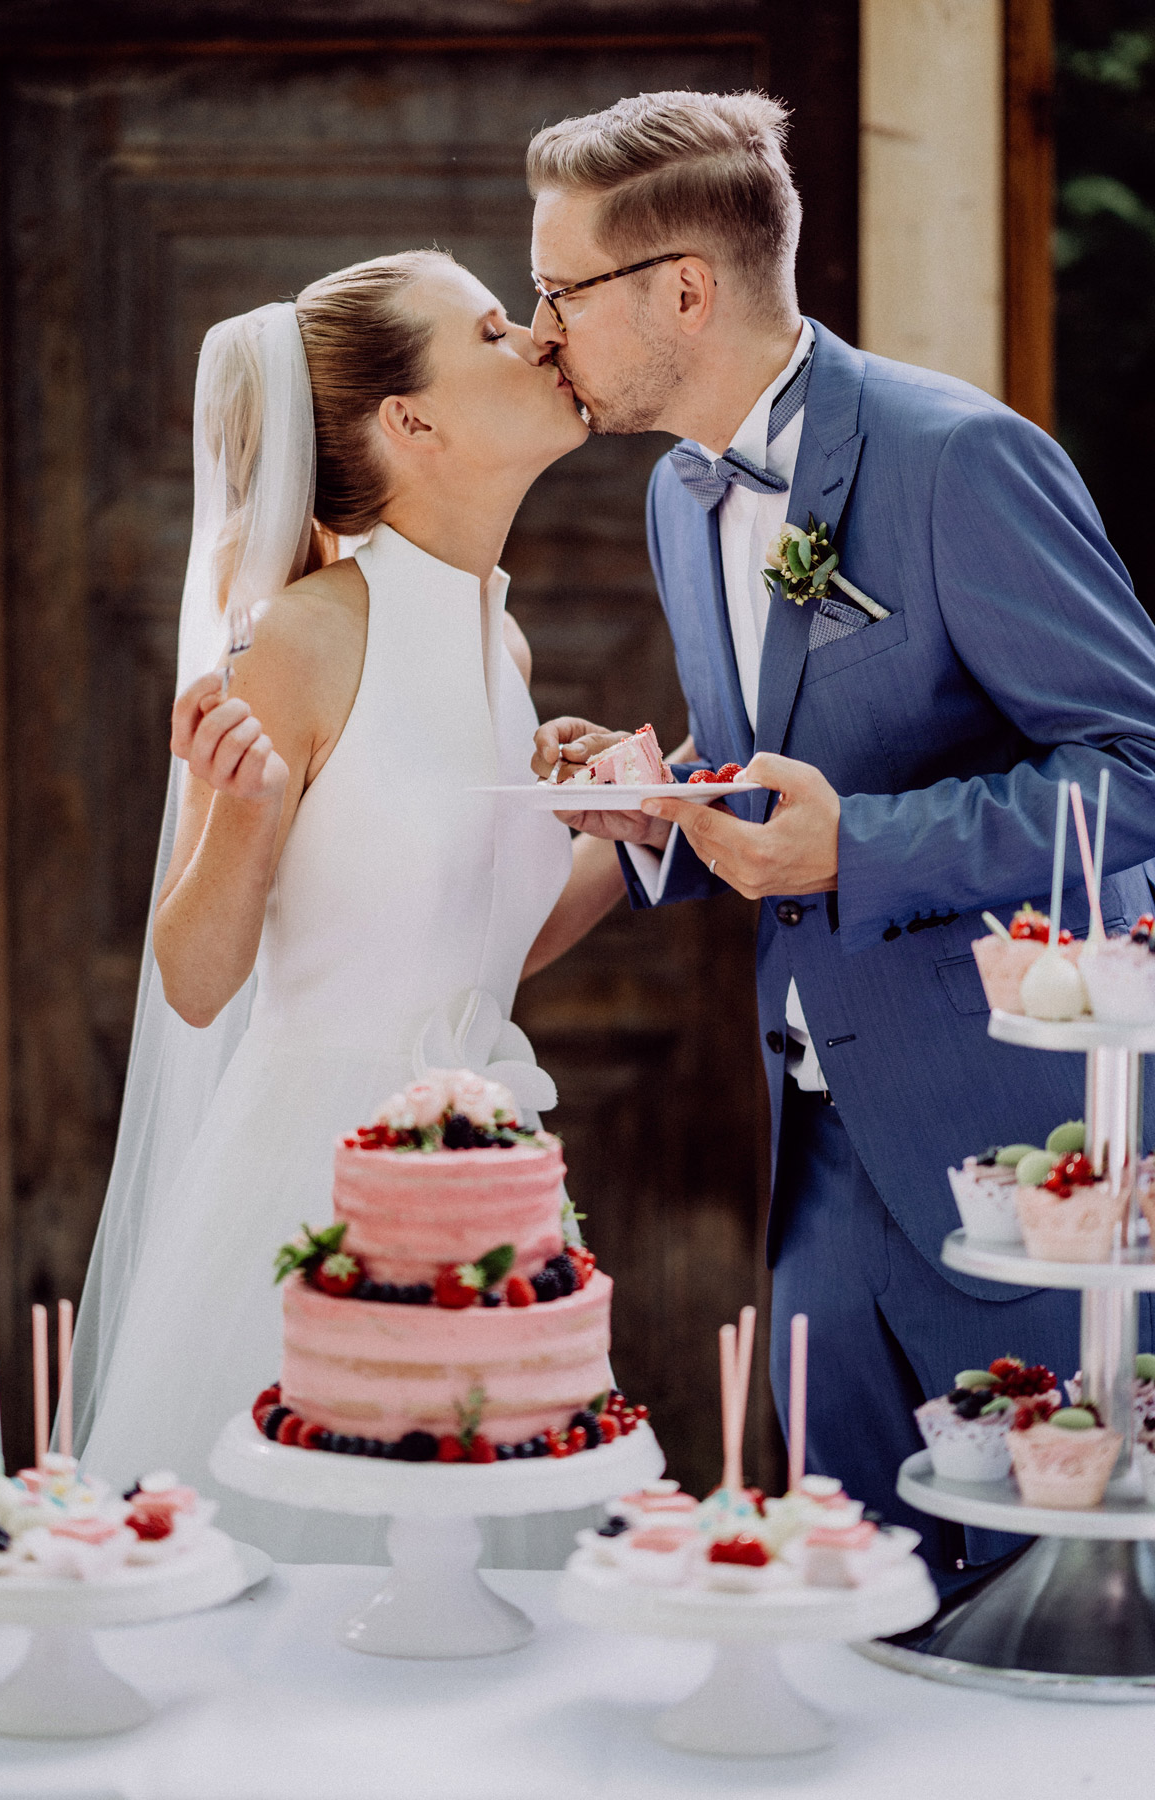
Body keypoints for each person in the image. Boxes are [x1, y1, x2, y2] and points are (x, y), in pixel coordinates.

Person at [526, 90, 1155, 1588]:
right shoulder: (678, 495)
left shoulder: (959, 458)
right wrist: (663, 810)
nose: (539, 332)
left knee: (1054, 1597)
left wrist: (856, 847)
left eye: (559, 292)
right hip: (815, 1139)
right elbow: (775, 766)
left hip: (1017, 1151)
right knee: (852, 1590)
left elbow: (1136, 763)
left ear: (684, 288)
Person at [73, 250, 626, 1560]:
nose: (539, 337)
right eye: (492, 330)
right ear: (411, 423)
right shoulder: (302, 638)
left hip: (480, 1198)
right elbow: (195, 981)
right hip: (313, 1196)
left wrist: (646, 822)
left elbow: (484, 955)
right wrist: (246, 813)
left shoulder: (503, 642)